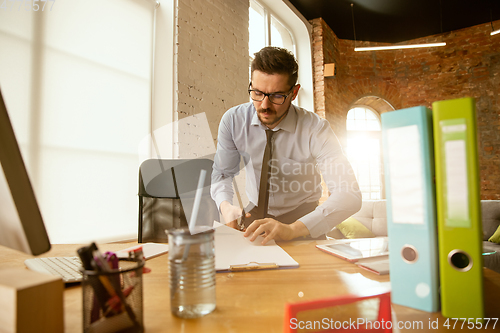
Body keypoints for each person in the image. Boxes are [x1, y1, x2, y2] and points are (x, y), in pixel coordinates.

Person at [210, 46, 361, 245]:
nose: (264, 105)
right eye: (257, 93)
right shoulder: (233, 121)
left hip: (303, 221)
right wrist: (225, 206)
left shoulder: (317, 129)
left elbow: (349, 193)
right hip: (254, 217)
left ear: (294, 92)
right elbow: (222, 173)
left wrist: (292, 229)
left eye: (277, 96)